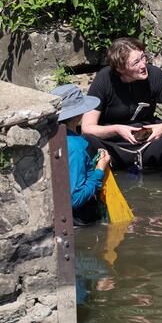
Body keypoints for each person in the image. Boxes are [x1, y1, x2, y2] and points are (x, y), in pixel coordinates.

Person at [81, 37, 162, 175]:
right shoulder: (103, 80)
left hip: (148, 142)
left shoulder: (156, 75)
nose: (143, 65)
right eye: (136, 62)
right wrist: (116, 129)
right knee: (85, 141)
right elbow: (87, 128)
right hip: (114, 148)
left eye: (143, 57)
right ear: (120, 68)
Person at [50, 84, 111, 225]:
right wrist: (99, 171)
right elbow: (74, 199)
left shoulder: (49, 136)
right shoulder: (74, 147)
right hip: (78, 220)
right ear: (78, 114)